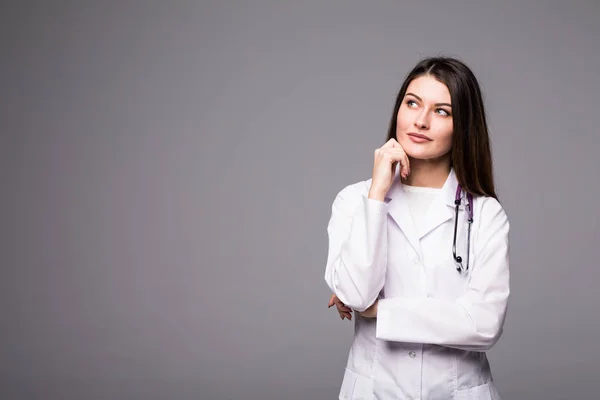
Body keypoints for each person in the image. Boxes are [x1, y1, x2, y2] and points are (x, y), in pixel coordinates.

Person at [324, 56, 510, 400]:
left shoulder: (484, 213)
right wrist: (377, 194)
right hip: (373, 389)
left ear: (463, 127)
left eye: (442, 111)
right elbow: (355, 295)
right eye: (412, 103)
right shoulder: (354, 201)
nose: (420, 121)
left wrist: (381, 311)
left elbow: (484, 324)